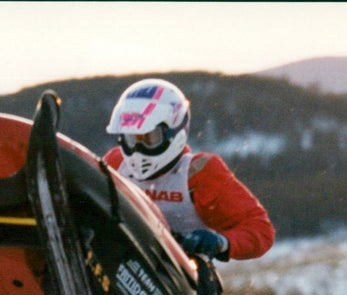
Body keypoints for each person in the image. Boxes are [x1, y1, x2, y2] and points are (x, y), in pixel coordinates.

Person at [104, 78, 275, 263]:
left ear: (175, 132)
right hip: (123, 265)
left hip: (182, 280)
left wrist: (221, 242)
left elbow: (261, 230)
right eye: (131, 139)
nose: (138, 149)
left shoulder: (199, 173)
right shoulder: (116, 163)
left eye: (149, 138)